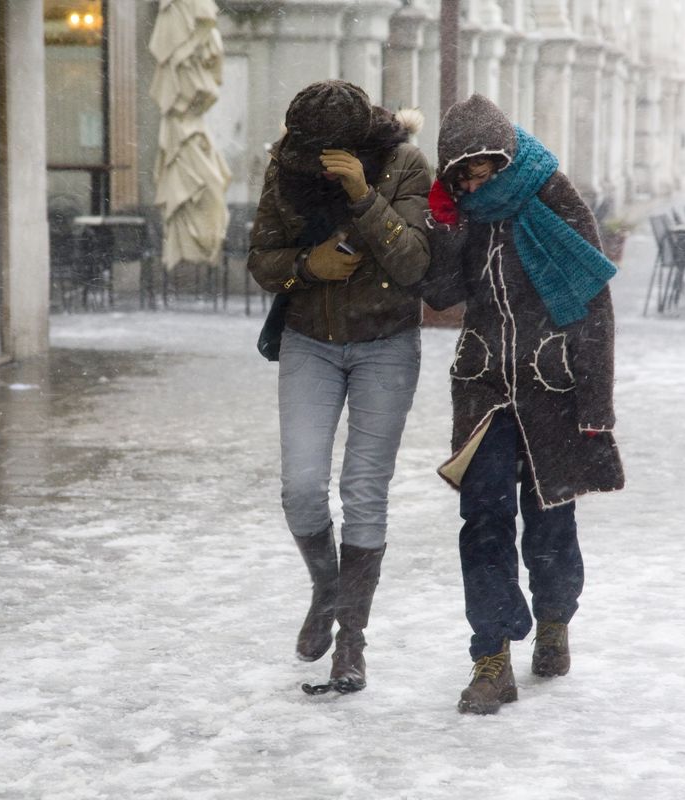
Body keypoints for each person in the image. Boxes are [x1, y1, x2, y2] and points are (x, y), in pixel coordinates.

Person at [421, 94, 625, 715]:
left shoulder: (553, 198)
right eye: (463, 174)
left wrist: (597, 401)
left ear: (506, 159)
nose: (475, 182)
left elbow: (592, 301)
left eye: (483, 168)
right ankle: (491, 659)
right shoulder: (465, 216)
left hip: (552, 389)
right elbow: (441, 294)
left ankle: (555, 617)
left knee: (550, 522)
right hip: (483, 386)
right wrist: (446, 229)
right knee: (482, 521)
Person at [247, 80, 432, 695]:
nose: (317, 160)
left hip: (386, 344)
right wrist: (305, 267)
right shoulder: (286, 165)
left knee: (363, 489)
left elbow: (414, 264)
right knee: (301, 485)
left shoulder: (404, 162)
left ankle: (351, 641)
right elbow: (261, 258)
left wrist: (362, 193)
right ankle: (328, 588)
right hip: (309, 341)